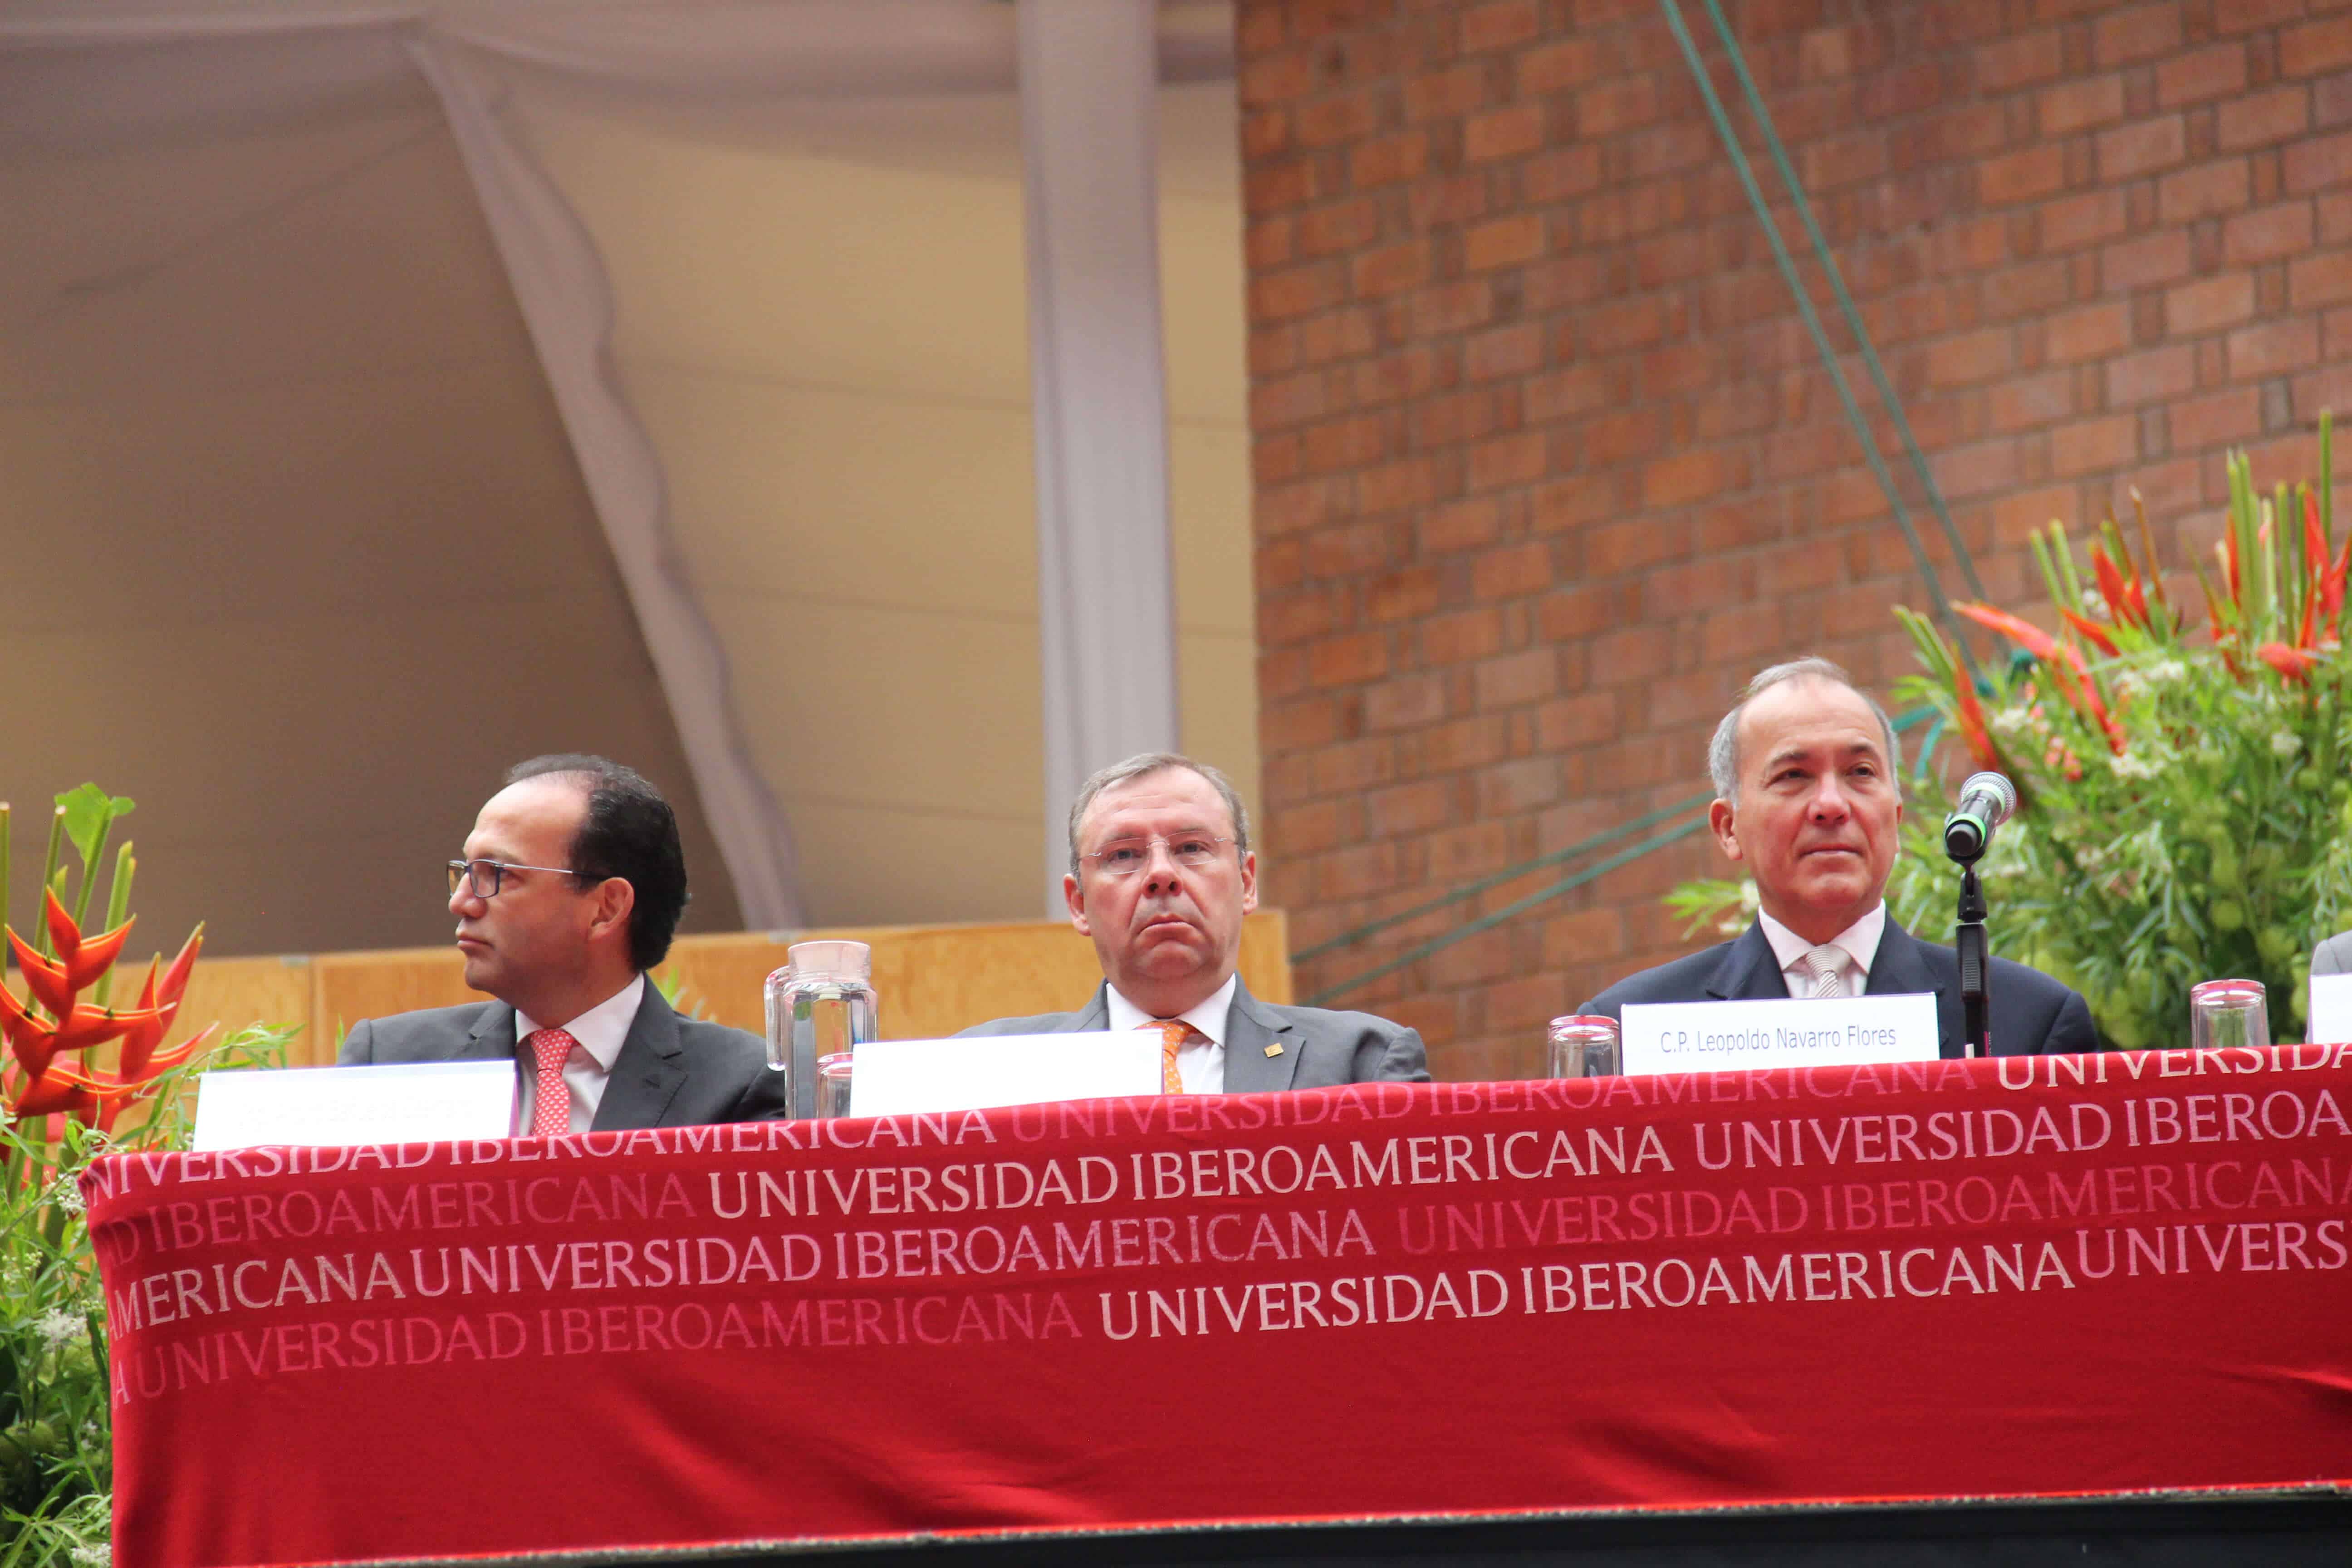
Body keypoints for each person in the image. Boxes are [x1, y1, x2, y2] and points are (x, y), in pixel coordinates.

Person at [1580, 658, 2097, 1058]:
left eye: (1860, 773)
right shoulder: (1630, 1032)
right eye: (1793, 776)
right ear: (1728, 828)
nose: (1831, 805)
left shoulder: (2028, 1019)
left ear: (1895, 817)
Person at [338, 755, 789, 1130]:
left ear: (606, 907)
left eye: (499, 875)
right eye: (465, 872)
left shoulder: (740, 1087)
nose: (462, 903)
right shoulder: (393, 1062)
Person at [959, 752, 1430, 1090]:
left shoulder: (1361, 1064)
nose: (1161, 875)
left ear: (1247, 883)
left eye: (1191, 848)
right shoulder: (988, 1069)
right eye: (1124, 855)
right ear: (1078, 903)